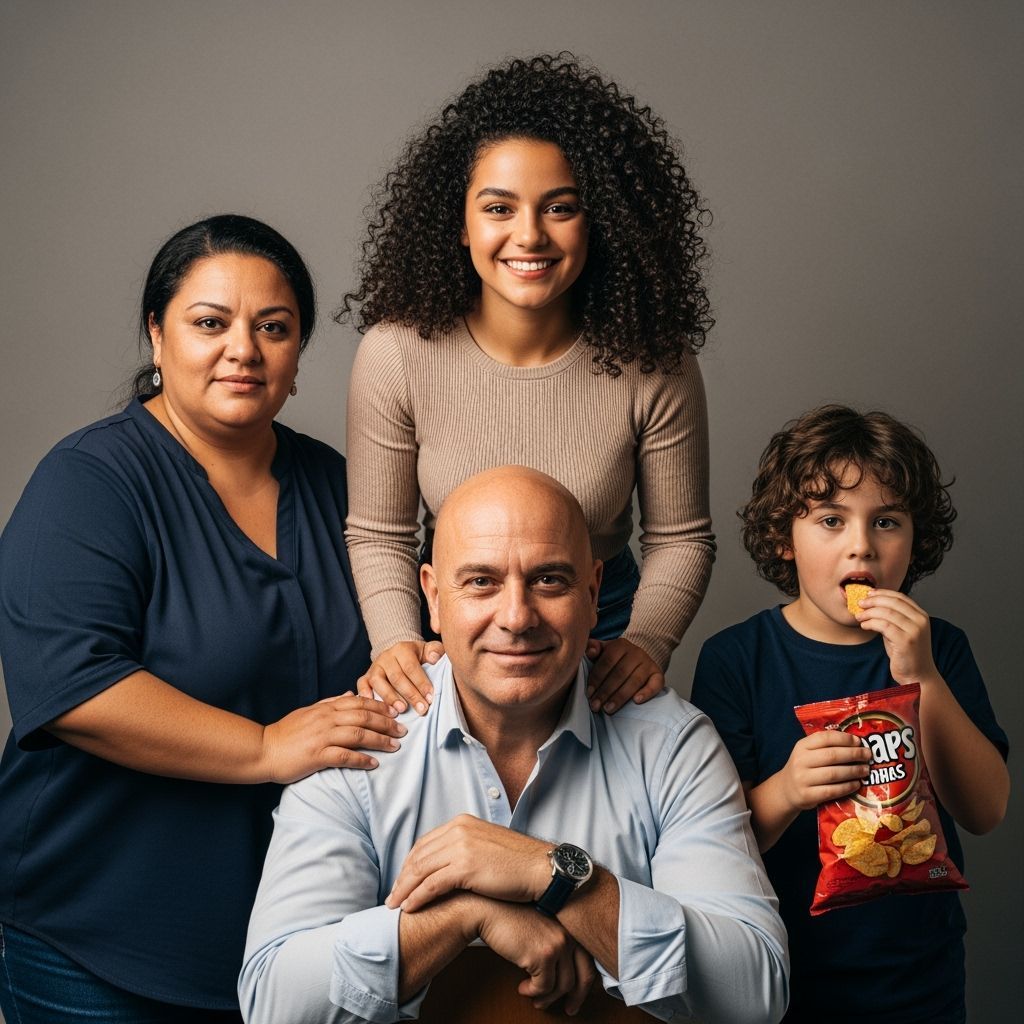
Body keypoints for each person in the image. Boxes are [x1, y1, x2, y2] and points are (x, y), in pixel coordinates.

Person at [0, 215, 408, 1023]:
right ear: (157, 336)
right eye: (210, 323)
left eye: (274, 328)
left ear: (297, 354)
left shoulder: (340, 486)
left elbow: (402, 652)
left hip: (294, 946)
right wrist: (264, 747)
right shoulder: (90, 481)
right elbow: (74, 688)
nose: (244, 351)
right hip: (98, 943)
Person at [239, 466, 788, 1024]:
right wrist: (461, 914)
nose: (517, 618)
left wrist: (559, 876)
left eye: (549, 580)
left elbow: (755, 996)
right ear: (432, 597)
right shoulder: (362, 749)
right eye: (481, 581)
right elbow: (273, 1005)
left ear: (594, 592)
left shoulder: (673, 745)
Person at [340, 52, 715, 719]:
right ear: (459, 222)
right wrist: (396, 642)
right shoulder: (394, 355)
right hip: (451, 639)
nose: (530, 235)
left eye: (560, 207)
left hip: (602, 640)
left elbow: (681, 537)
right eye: (498, 208)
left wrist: (646, 643)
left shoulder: (655, 361)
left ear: (599, 221)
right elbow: (379, 532)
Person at [689, 405, 1009, 1023]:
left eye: (886, 521)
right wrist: (785, 790)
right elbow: (712, 840)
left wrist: (923, 676)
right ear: (786, 536)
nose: (861, 544)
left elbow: (986, 810)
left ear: (915, 540)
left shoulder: (940, 647)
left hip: (921, 979)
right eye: (831, 521)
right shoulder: (736, 659)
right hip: (781, 978)